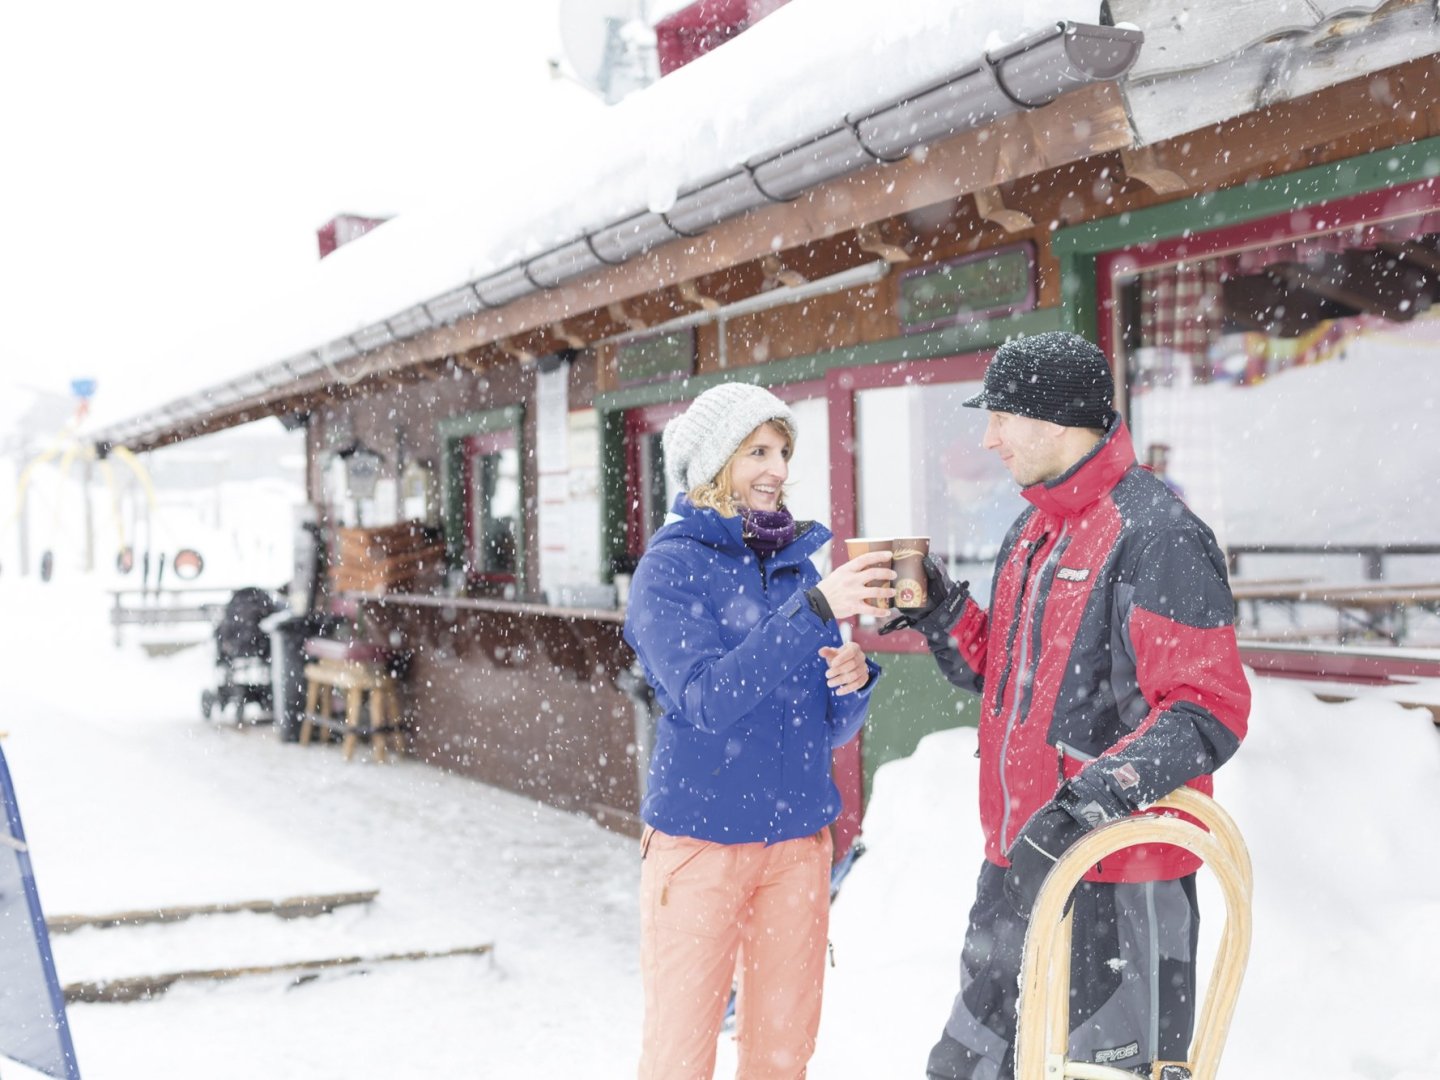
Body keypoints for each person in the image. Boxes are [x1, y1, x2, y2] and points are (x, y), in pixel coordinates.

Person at [886, 332, 1251, 1079]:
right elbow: (1009, 679)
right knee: (970, 1066)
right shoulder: (1032, 531)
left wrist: (1088, 802)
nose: (988, 440)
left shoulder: (1159, 536)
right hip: (1019, 865)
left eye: (1001, 418)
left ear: (1054, 420)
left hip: (1120, 880)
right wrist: (940, 608)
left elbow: (1205, 709)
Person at [624, 382, 894, 1080]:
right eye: (758, 452)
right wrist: (811, 613)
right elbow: (707, 699)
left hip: (797, 848)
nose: (777, 468)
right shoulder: (670, 569)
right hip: (700, 848)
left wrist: (853, 680)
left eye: (782, 452)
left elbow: (829, 727)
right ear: (715, 462)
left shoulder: (794, 568)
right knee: (679, 1055)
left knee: (782, 1053)